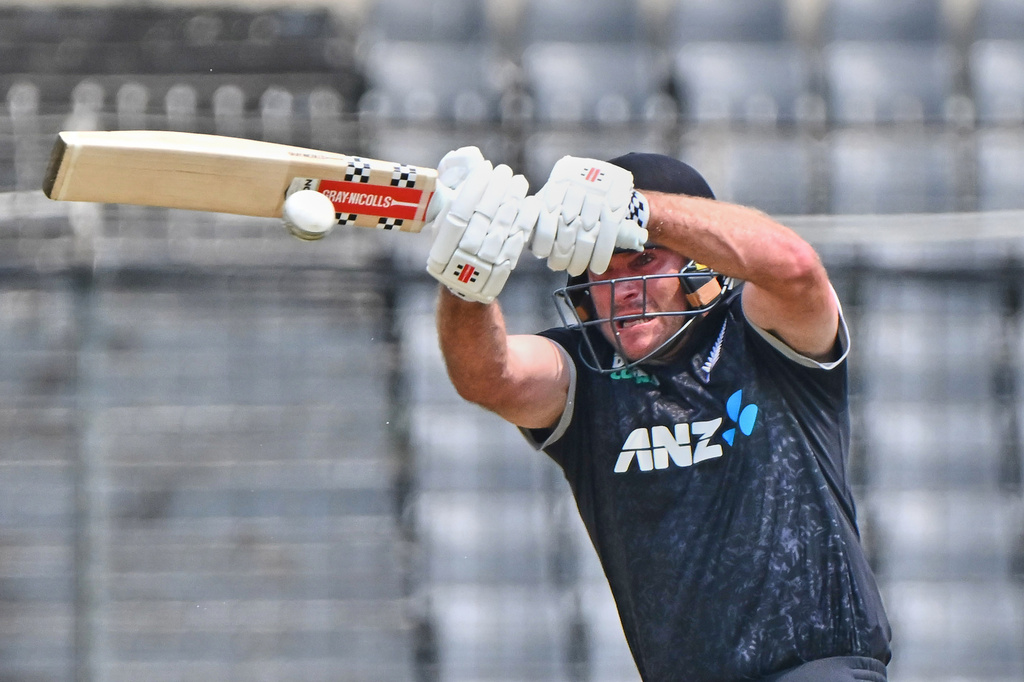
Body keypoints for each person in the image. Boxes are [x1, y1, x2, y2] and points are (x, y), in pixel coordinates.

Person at [423, 148, 892, 681]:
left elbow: (794, 267)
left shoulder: (762, 332)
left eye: (644, 260)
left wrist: (637, 209)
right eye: (602, 270)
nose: (622, 289)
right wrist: (468, 280)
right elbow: (486, 375)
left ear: (700, 264)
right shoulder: (585, 373)